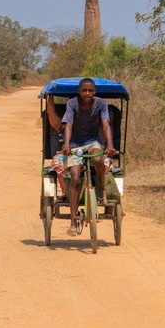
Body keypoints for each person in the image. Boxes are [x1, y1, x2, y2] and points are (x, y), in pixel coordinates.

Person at [53, 78, 118, 236]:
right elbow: (67, 124)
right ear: (79, 91)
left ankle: (101, 188)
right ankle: (73, 221)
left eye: (90, 90)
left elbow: (105, 124)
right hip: (75, 144)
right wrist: (67, 144)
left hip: (92, 142)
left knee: (97, 159)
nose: (87, 93)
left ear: (94, 92)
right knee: (75, 178)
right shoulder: (72, 104)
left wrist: (109, 144)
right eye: (84, 90)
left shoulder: (101, 103)